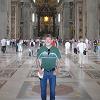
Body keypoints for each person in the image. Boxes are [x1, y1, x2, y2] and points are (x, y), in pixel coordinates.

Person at [36, 36, 61, 100]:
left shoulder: (56, 49)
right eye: (46, 39)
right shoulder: (41, 49)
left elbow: (59, 60)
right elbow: (37, 60)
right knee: (43, 91)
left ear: (52, 41)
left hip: (52, 73)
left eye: (49, 39)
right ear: (44, 41)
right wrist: (39, 69)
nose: (47, 41)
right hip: (43, 72)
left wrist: (57, 70)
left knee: (52, 91)